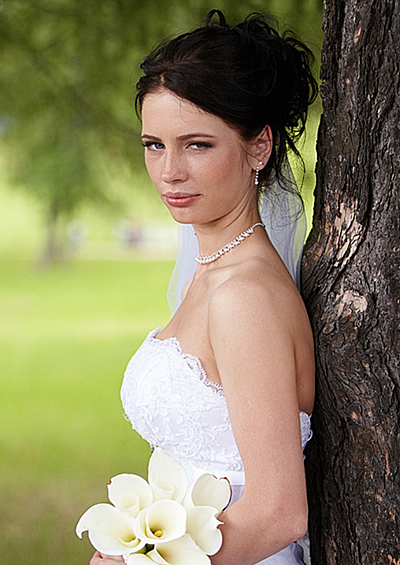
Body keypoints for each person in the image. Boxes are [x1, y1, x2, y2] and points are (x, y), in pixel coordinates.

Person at [93, 10, 318, 565]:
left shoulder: (246, 296)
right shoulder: (211, 267)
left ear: (259, 147)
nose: (169, 172)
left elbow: (279, 510)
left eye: (196, 145)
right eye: (153, 145)